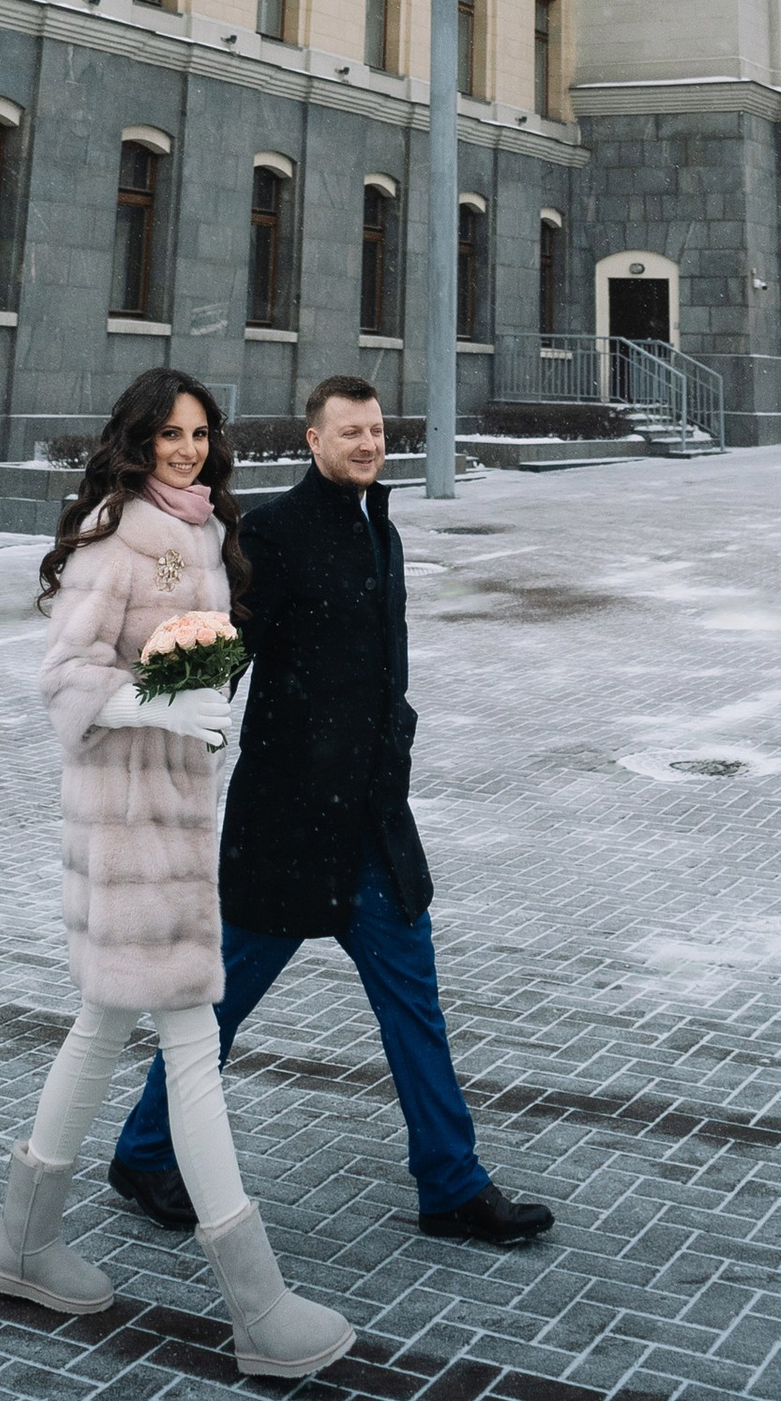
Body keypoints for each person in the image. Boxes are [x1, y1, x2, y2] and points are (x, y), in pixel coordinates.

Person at [109, 372, 552, 1250]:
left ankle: (451, 1183)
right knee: (222, 1003)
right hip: (289, 823)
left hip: (373, 823)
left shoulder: (376, 525)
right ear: (312, 440)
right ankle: (145, 1150)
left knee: (413, 1000)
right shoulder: (273, 533)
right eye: (348, 431)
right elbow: (222, 649)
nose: (366, 443)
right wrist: (153, 726)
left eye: (377, 430)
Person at [0, 369, 354, 1382]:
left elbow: (184, 658)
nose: (188, 450)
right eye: (171, 435)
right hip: (131, 822)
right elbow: (65, 674)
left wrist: (195, 691)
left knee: (103, 1024)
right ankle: (257, 1304)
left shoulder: (193, 529)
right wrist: (152, 707)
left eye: (201, 434)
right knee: (189, 1041)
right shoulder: (119, 533)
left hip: (174, 807)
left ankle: (22, 1244)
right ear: (137, 440)